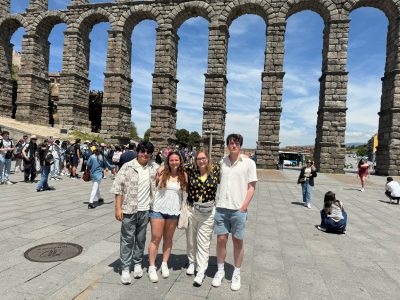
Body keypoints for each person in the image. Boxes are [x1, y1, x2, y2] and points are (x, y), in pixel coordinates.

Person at [212, 133, 257, 291]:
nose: (234, 145)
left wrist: (244, 206)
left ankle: (236, 273)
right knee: (221, 240)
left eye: (236, 143)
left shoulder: (249, 163)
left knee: (238, 241)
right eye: (231, 143)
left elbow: (252, 186)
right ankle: (220, 270)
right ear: (227, 145)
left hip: (239, 209)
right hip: (222, 208)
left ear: (240, 145)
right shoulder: (221, 162)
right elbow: (206, 173)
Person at [112, 141, 158, 285]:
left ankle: (137, 263)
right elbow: (118, 188)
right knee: (127, 239)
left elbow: (168, 168)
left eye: (148, 152)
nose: (145, 154)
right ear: (138, 152)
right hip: (129, 209)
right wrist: (117, 208)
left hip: (145, 210)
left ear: (151, 154)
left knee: (141, 238)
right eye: (143, 151)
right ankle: (125, 268)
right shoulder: (127, 166)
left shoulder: (154, 167)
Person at [147, 150, 188, 283]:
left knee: (168, 239)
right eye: (171, 160)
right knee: (156, 238)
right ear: (168, 161)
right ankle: (152, 267)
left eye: (176, 160)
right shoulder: (161, 172)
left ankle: (164, 263)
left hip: (174, 211)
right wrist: (161, 166)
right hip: (158, 210)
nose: (174, 162)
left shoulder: (184, 176)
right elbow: (150, 165)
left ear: (180, 161)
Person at [185, 150, 220, 286]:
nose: (201, 161)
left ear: (208, 159)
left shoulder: (216, 170)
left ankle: (201, 271)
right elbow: (174, 164)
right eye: (199, 158)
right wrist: (163, 166)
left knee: (204, 242)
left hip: (208, 212)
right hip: (192, 210)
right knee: (191, 240)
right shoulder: (190, 170)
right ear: (195, 160)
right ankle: (192, 262)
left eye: (204, 158)